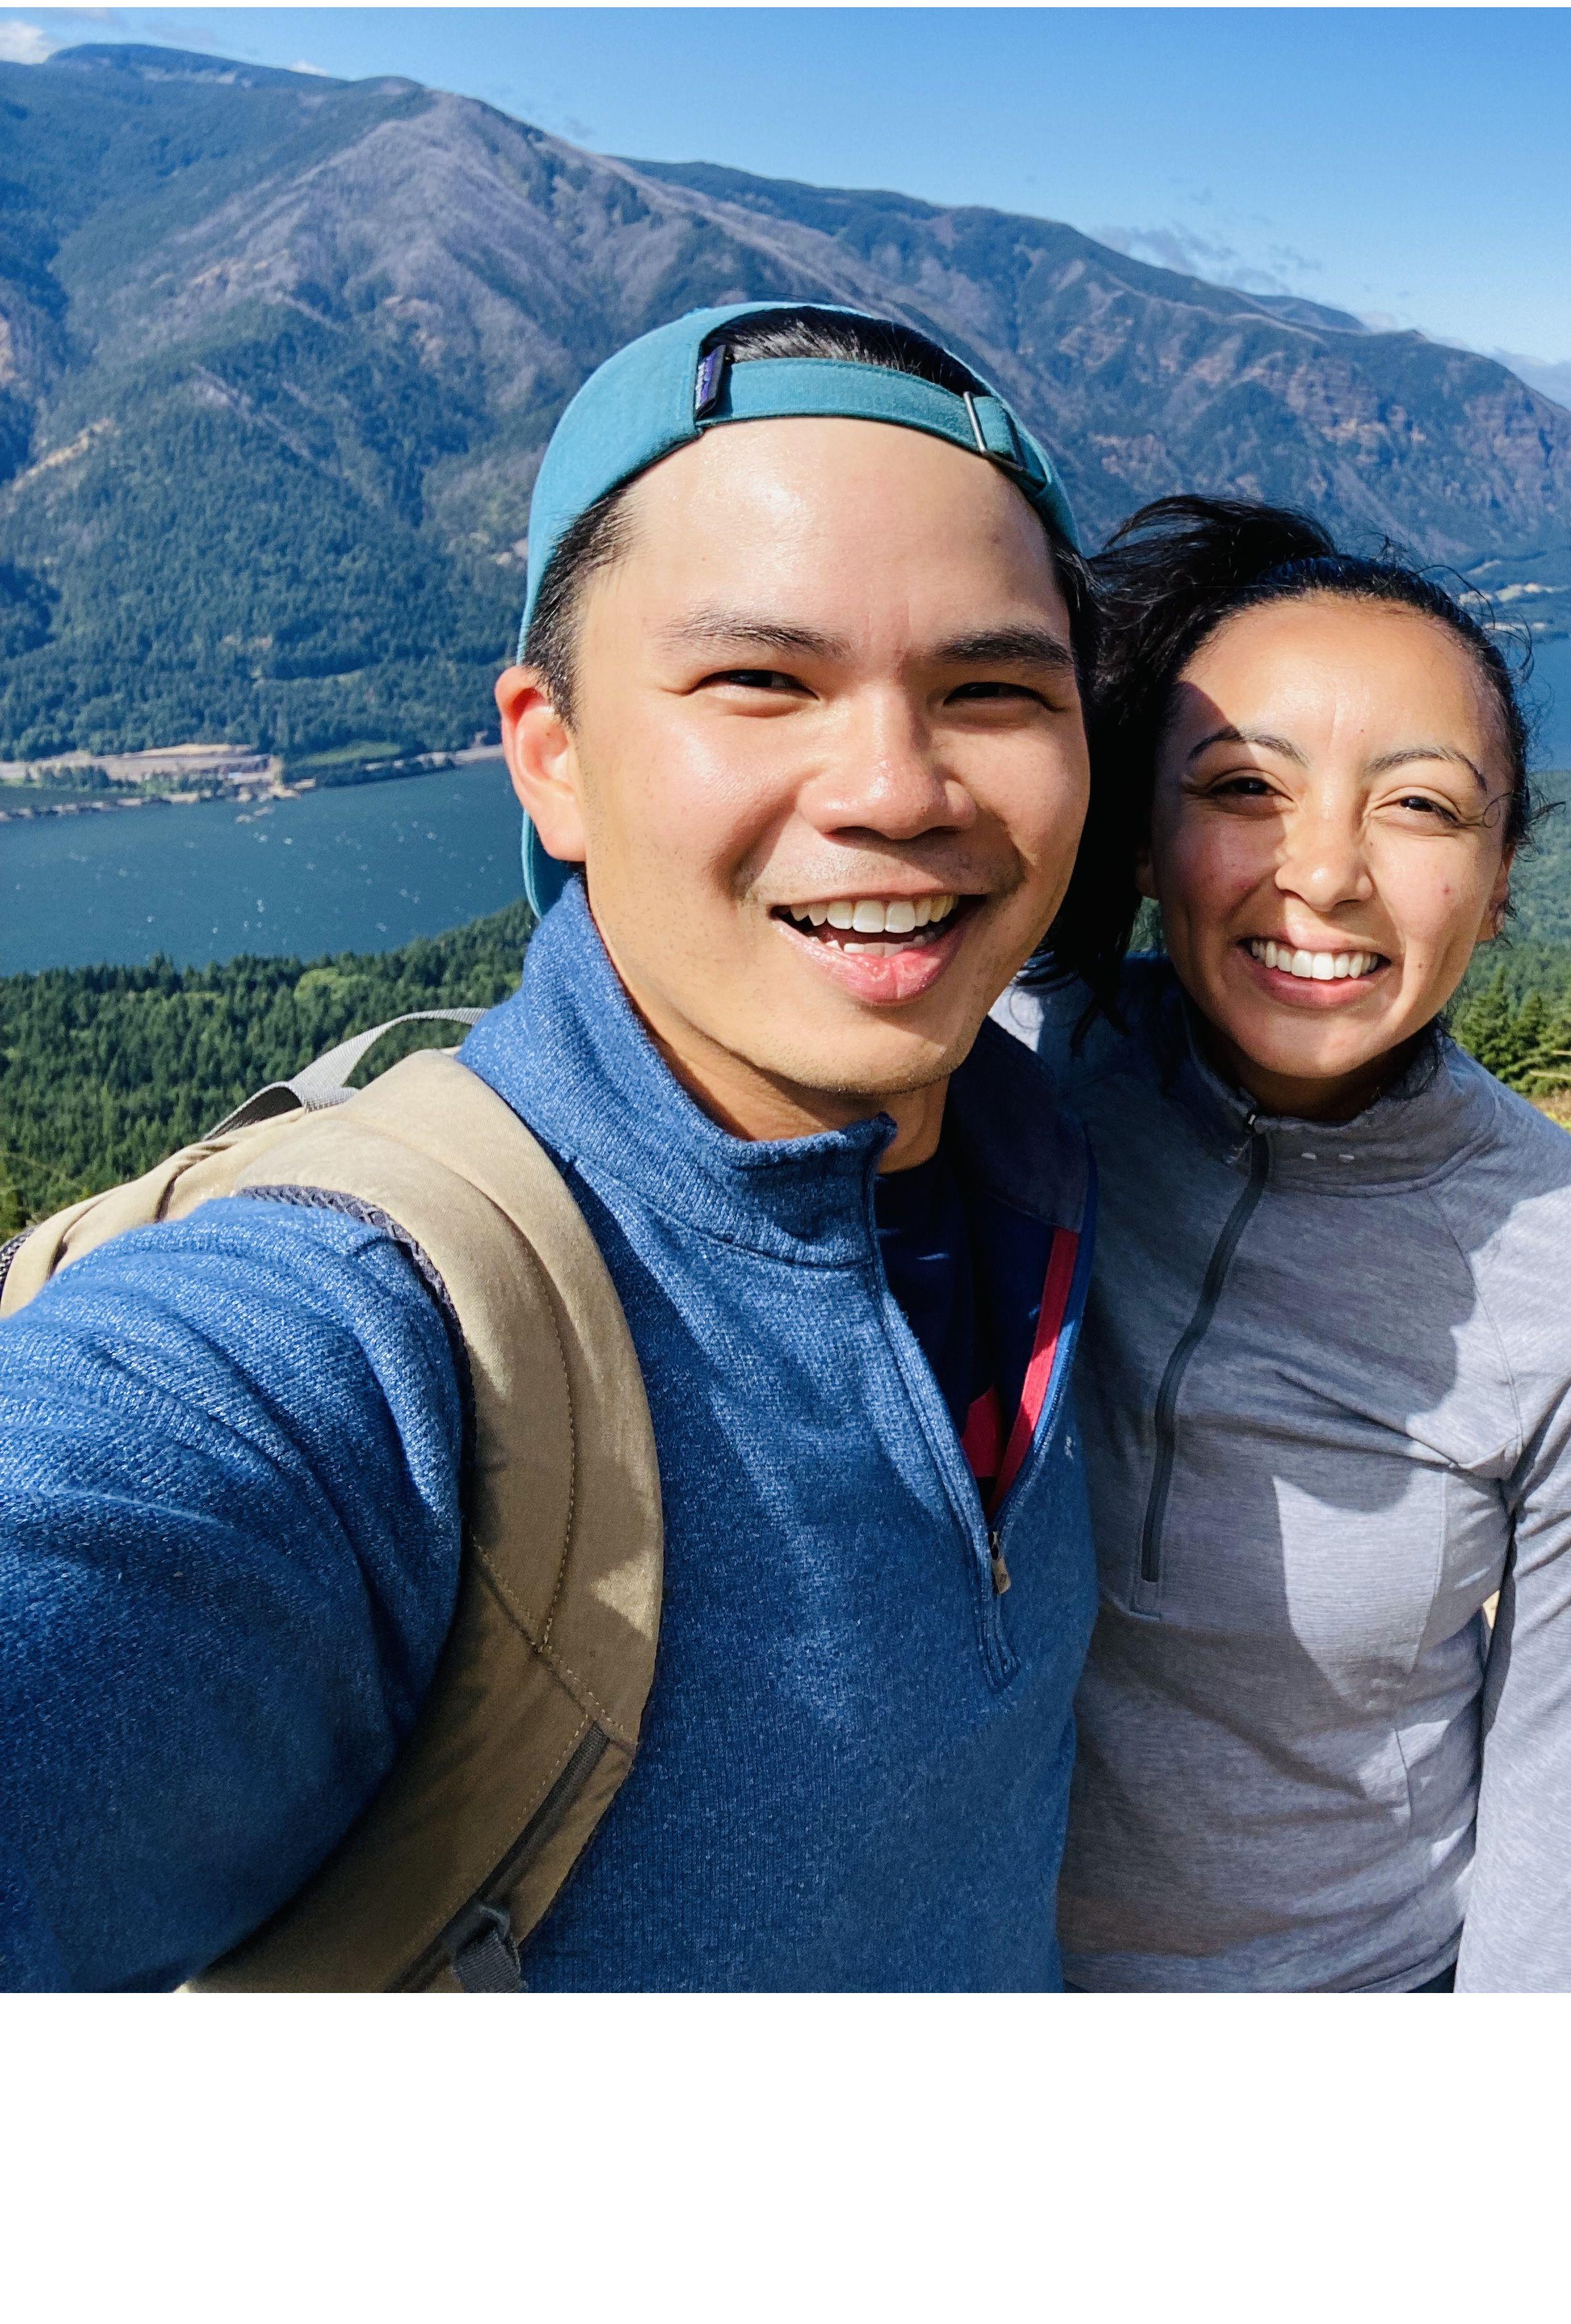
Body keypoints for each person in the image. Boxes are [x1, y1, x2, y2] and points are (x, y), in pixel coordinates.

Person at [0, 302, 1102, 1991]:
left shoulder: (1068, 1157)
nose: (896, 786)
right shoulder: (378, 1326)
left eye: (992, 687)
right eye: (761, 679)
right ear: (554, 758)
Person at [1013, 496, 1571, 1992]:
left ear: (1501, 880)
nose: (1322, 873)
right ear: (1141, 834)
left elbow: (1561, 1801)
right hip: (974, 1959)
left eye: (1422, 807)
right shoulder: (1013, 1083)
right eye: (1245, 786)